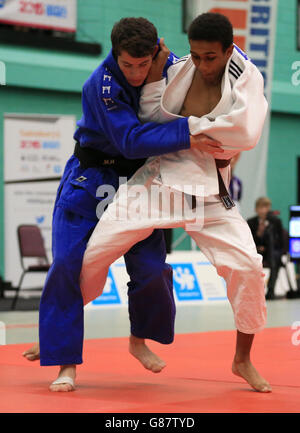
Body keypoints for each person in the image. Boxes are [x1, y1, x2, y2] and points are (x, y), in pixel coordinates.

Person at [23, 17, 219, 392]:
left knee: (151, 267)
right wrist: (189, 133)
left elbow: (195, 92)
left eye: (142, 65)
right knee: (66, 264)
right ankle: (65, 364)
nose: (134, 72)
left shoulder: (170, 67)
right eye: (127, 64)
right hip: (91, 177)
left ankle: (138, 339)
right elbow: (129, 139)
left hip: (139, 181)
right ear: (115, 55)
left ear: (156, 50)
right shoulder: (101, 84)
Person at [80, 13, 272, 393]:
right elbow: (148, 119)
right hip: (159, 178)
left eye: (211, 58)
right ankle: (60, 334)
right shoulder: (178, 70)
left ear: (229, 50)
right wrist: (188, 127)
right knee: (93, 254)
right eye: (196, 55)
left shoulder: (246, 76)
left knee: (248, 266)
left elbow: (245, 134)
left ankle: (242, 359)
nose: (202, 65)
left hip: (208, 190)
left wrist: (185, 130)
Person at [247, 197, 284, 300]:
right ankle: (254, 291)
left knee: (275, 260)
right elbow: (248, 240)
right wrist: (258, 238)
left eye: (266, 207)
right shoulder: (251, 222)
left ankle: (271, 291)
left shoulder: (275, 221)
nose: (263, 210)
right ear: (256, 209)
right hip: (255, 251)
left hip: (270, 251)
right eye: (261, 207)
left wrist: (268, 247)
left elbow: (280, 241)